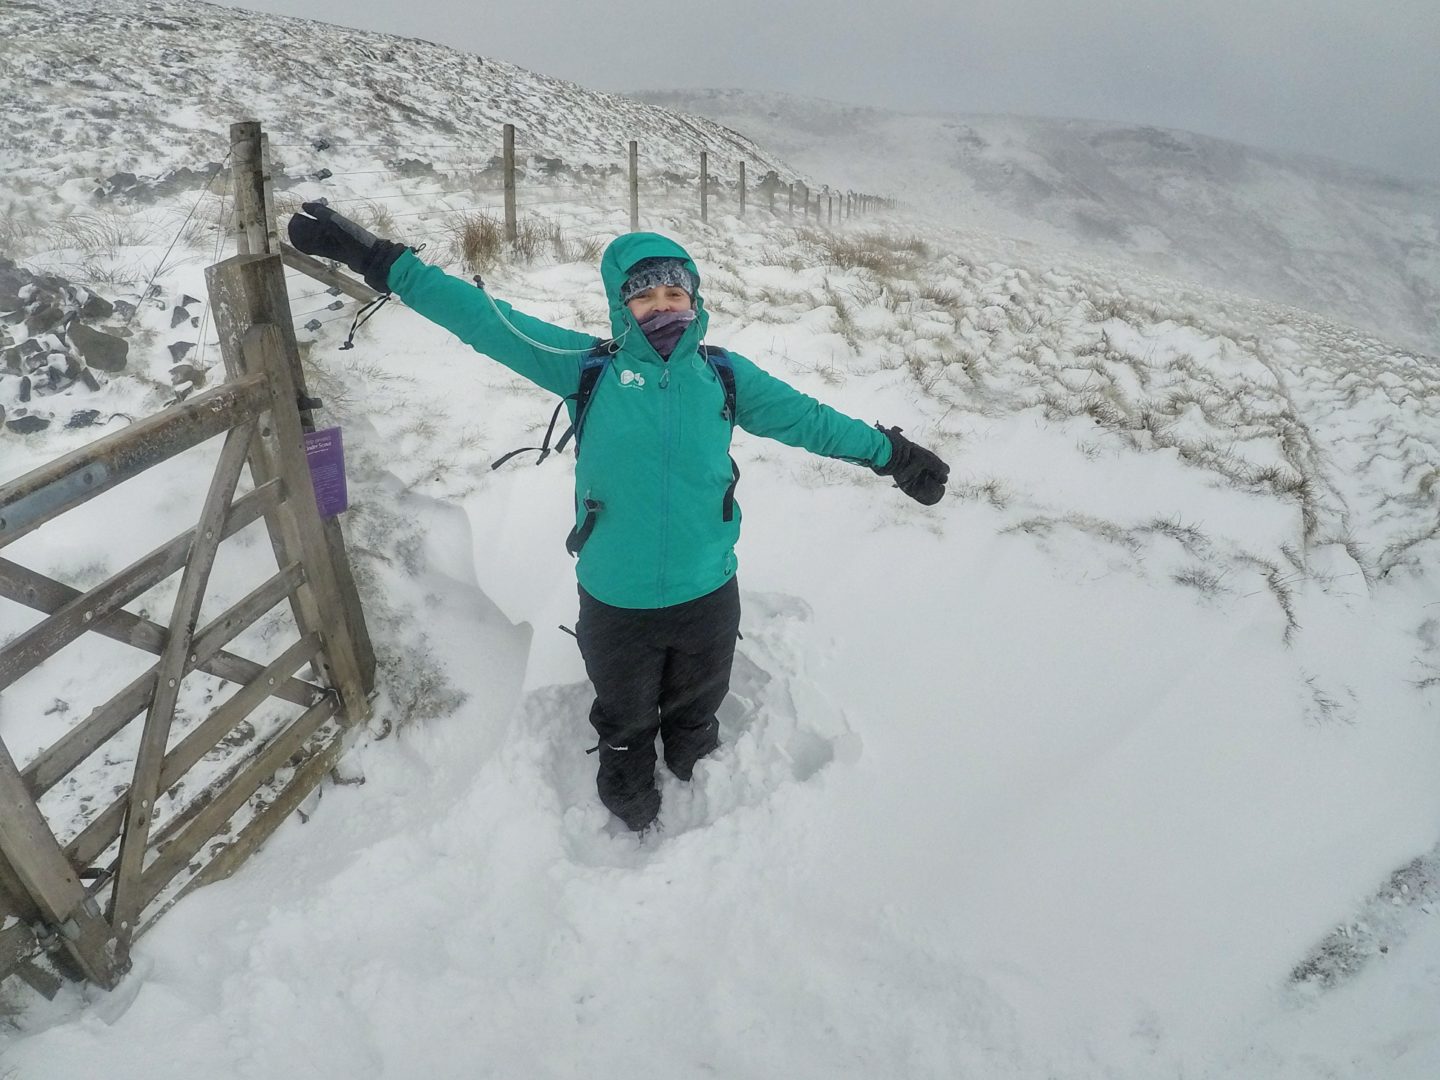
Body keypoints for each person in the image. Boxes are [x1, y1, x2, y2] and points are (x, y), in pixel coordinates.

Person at [287, 203, 950, 831]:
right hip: (616, 595)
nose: (663, 306)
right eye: (646, 294)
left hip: (707, 588)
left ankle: (694, 758)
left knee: (697, 705)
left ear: (694, 299)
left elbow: (810, 420)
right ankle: (626, 768)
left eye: (675, 293)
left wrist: (891, 453)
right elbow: (483, 320)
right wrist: (380, 260)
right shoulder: (587, 370)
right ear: (621, 303)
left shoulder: (723, 377)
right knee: (625, 711)